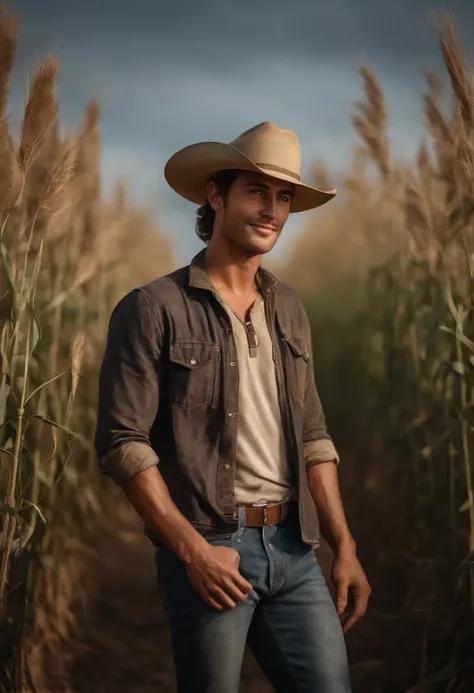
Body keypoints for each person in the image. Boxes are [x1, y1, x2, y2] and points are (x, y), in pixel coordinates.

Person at [94, 121, 371, 693]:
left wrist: (344, 546)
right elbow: (122, 444)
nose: (272, 210)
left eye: (284, 196)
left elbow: (314, 436)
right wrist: (193, 553)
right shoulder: (154, 308)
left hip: (295, 551)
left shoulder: (288, 308)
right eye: (256, 191)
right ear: (215, 195)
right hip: (210, 550)